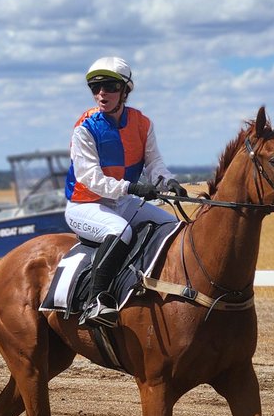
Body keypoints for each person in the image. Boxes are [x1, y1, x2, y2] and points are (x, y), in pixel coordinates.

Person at [65, 56, 187, 327]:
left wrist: (168, 181)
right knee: (120, 231)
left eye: (109, 87)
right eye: (95, 88)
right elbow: (91, 178)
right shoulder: (85, 128)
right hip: (84, 205)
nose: (101, 93)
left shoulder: (142, 123)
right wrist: (131, 187)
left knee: (173, 226)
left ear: (125, 91)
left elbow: (154, 163)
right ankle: (95, 302)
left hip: (122, 202)